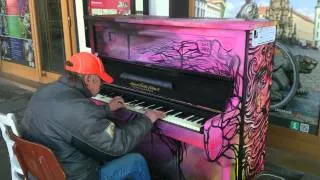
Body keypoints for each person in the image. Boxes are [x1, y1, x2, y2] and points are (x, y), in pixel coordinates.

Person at [20, 52, 166, 180]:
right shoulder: (79, 109)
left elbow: (76, 119)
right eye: (100, 80)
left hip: (43, 170)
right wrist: (147, 119)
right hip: (76, 176)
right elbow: (117, 145)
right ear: (89, 79)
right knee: (136, 161)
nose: (101, 85)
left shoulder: (44, 91)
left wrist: (106, 108)